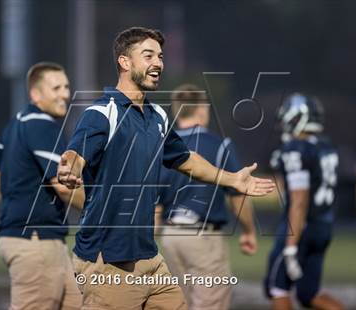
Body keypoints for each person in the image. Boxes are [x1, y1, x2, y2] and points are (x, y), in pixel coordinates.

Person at [57, 27, 274, 310]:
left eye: (160, 56)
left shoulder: (157, 115)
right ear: (124, 62)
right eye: (148, 56)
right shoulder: (102, 113)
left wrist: (232, 180)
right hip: (109, 262)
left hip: (150, 259)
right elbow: (75, 153)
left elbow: (185, 159)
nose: (158, 63)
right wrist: (69, 167)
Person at [0, 62, 84, 310]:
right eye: (56, 88)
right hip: (35, 243)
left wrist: (19, 199)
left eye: (66, 86)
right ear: (35, 94)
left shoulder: (16, 123)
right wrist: (105, 210)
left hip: (40, 240)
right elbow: (63, 186)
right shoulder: (42, 124)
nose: (64, 93)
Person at [156, 83, 258, 310]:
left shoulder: (162, 147)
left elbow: (154, 201)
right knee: (210, 303)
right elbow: (238, 194)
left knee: (180, 303)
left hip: (171, 236)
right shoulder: (220, 145)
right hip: (203, 236)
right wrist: (249, 231)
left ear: (177, 110)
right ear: (202, 110)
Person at [263, 93, 344, 310]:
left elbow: (299, 199)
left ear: (298, 117)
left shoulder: (296, 149)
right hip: (323, 227)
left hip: (300, 228)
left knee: (276, 287)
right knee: (309, 294)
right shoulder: (326, 146)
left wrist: (290, 247)